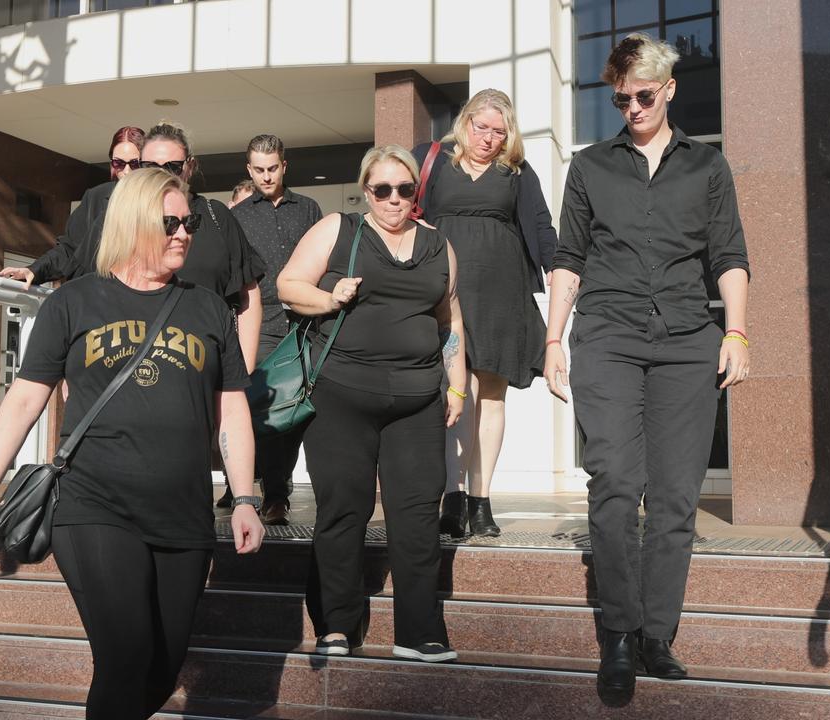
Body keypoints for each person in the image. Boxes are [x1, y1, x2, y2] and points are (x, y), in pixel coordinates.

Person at [0, 167, 265, 719]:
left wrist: (244, 498)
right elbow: (23, 402)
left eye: (188, 222)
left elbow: (232, 410)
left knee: (162, 668)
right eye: (169, 222)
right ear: (134, 223)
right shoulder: (73, 303)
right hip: (94, 506)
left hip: (184, 513)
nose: (183, 233)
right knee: (125, 655)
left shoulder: (210, 309)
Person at [544, 34, 751, 694]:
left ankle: (658, 634)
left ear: (668, 89)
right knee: (613, 481)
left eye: (641, 95)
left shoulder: (707, 168)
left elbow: (729, 256)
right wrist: (553, 341)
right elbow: (568, 258)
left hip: (689, 338)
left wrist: (737, 333)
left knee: (673, 496)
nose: (630, 106)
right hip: (606, 333)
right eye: (619, 98)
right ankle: (618, 635)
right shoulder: (591, 166)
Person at [278, 145, 467, 663]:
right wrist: (331, 298)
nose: (394, 199)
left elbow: (450, 320)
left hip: (417, 400)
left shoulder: (438, 246)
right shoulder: (340, 229)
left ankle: (420, 630)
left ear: (416, 193)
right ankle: (337, 624)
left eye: (405, 189)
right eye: (383, 189)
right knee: (343, 510)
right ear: (367, 191)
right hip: (341, 394)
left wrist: (457, 385)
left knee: (417, 514)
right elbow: (288, 285)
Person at [0, 121, 264, 373]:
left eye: (173, 166)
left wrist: (244, 372)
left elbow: (248, 293)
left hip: (206, 368)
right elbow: (73, 255)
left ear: (189, 167)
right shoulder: (117, 216)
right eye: (150, 166)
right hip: (128, 365)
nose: (161, 174)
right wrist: (36, 270)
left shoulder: (216, 217)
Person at [412, 89, 557, 539]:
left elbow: (540, 225)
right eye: (482, 127)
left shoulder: (516, 172)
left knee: (491, 394)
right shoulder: (431, 159)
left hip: (502, 293)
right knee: (459, 391)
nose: (489, 138)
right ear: (466, 121)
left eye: (499, 131)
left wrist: (560, 270)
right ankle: (452, 498)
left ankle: (480, 500)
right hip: (447, 292)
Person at [230, 134, 324, 525]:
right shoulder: (238, 216)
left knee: (303, 411)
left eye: (273, 168)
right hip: (261, 322)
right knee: (269, 410)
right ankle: (275, 494)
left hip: (306, 322)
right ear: (249, 170)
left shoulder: (309, 208)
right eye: (259, 170)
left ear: (285, 166)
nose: (267, 176)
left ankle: (283, 487)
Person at [0, 125, 144, 285]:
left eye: (135, 164)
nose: (127, 171)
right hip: (94, 293)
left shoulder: (162, 202)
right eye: (119, 163)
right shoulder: (96, 197)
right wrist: (34, 270)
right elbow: (69, 249)